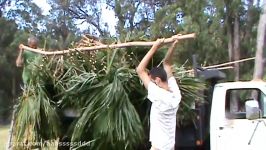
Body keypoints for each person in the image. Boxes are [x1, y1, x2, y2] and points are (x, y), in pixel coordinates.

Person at [136, 39, 182, 150]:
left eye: (151, 81)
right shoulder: (176, 94)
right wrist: (174, 45)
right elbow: (167, 63)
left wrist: (155, 47)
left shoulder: (158, 94)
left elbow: (140, 70)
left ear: (157, 80)